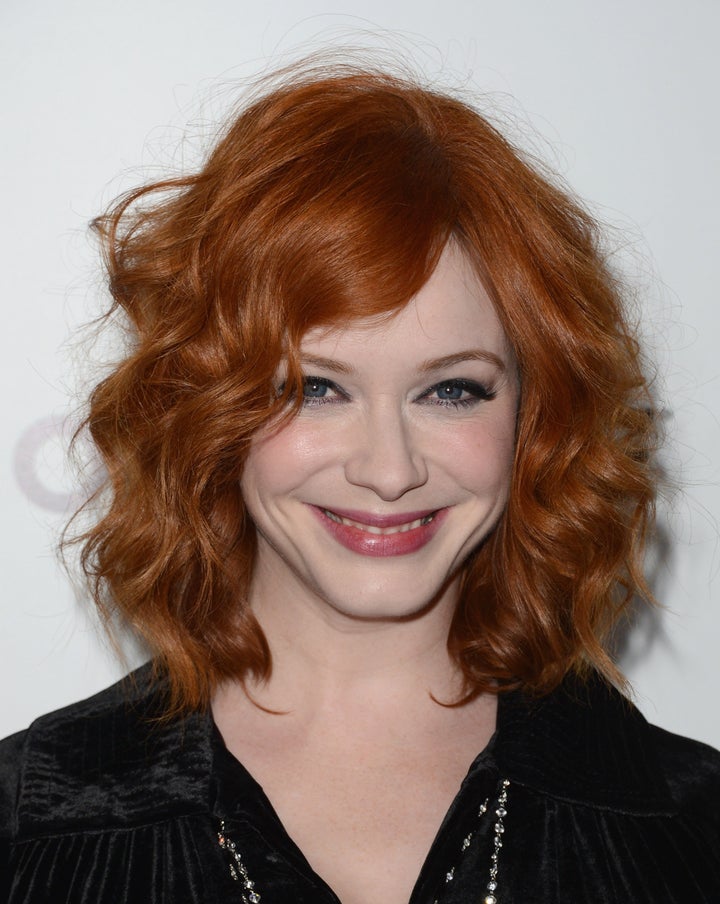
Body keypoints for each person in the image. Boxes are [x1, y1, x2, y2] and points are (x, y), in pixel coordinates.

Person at [1, 59, 719, 904]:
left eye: (451, 390)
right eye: (315, 388)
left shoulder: (688, 829)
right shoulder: (29, 829)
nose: (389, 470)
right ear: (206, 406)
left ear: (537, 419)